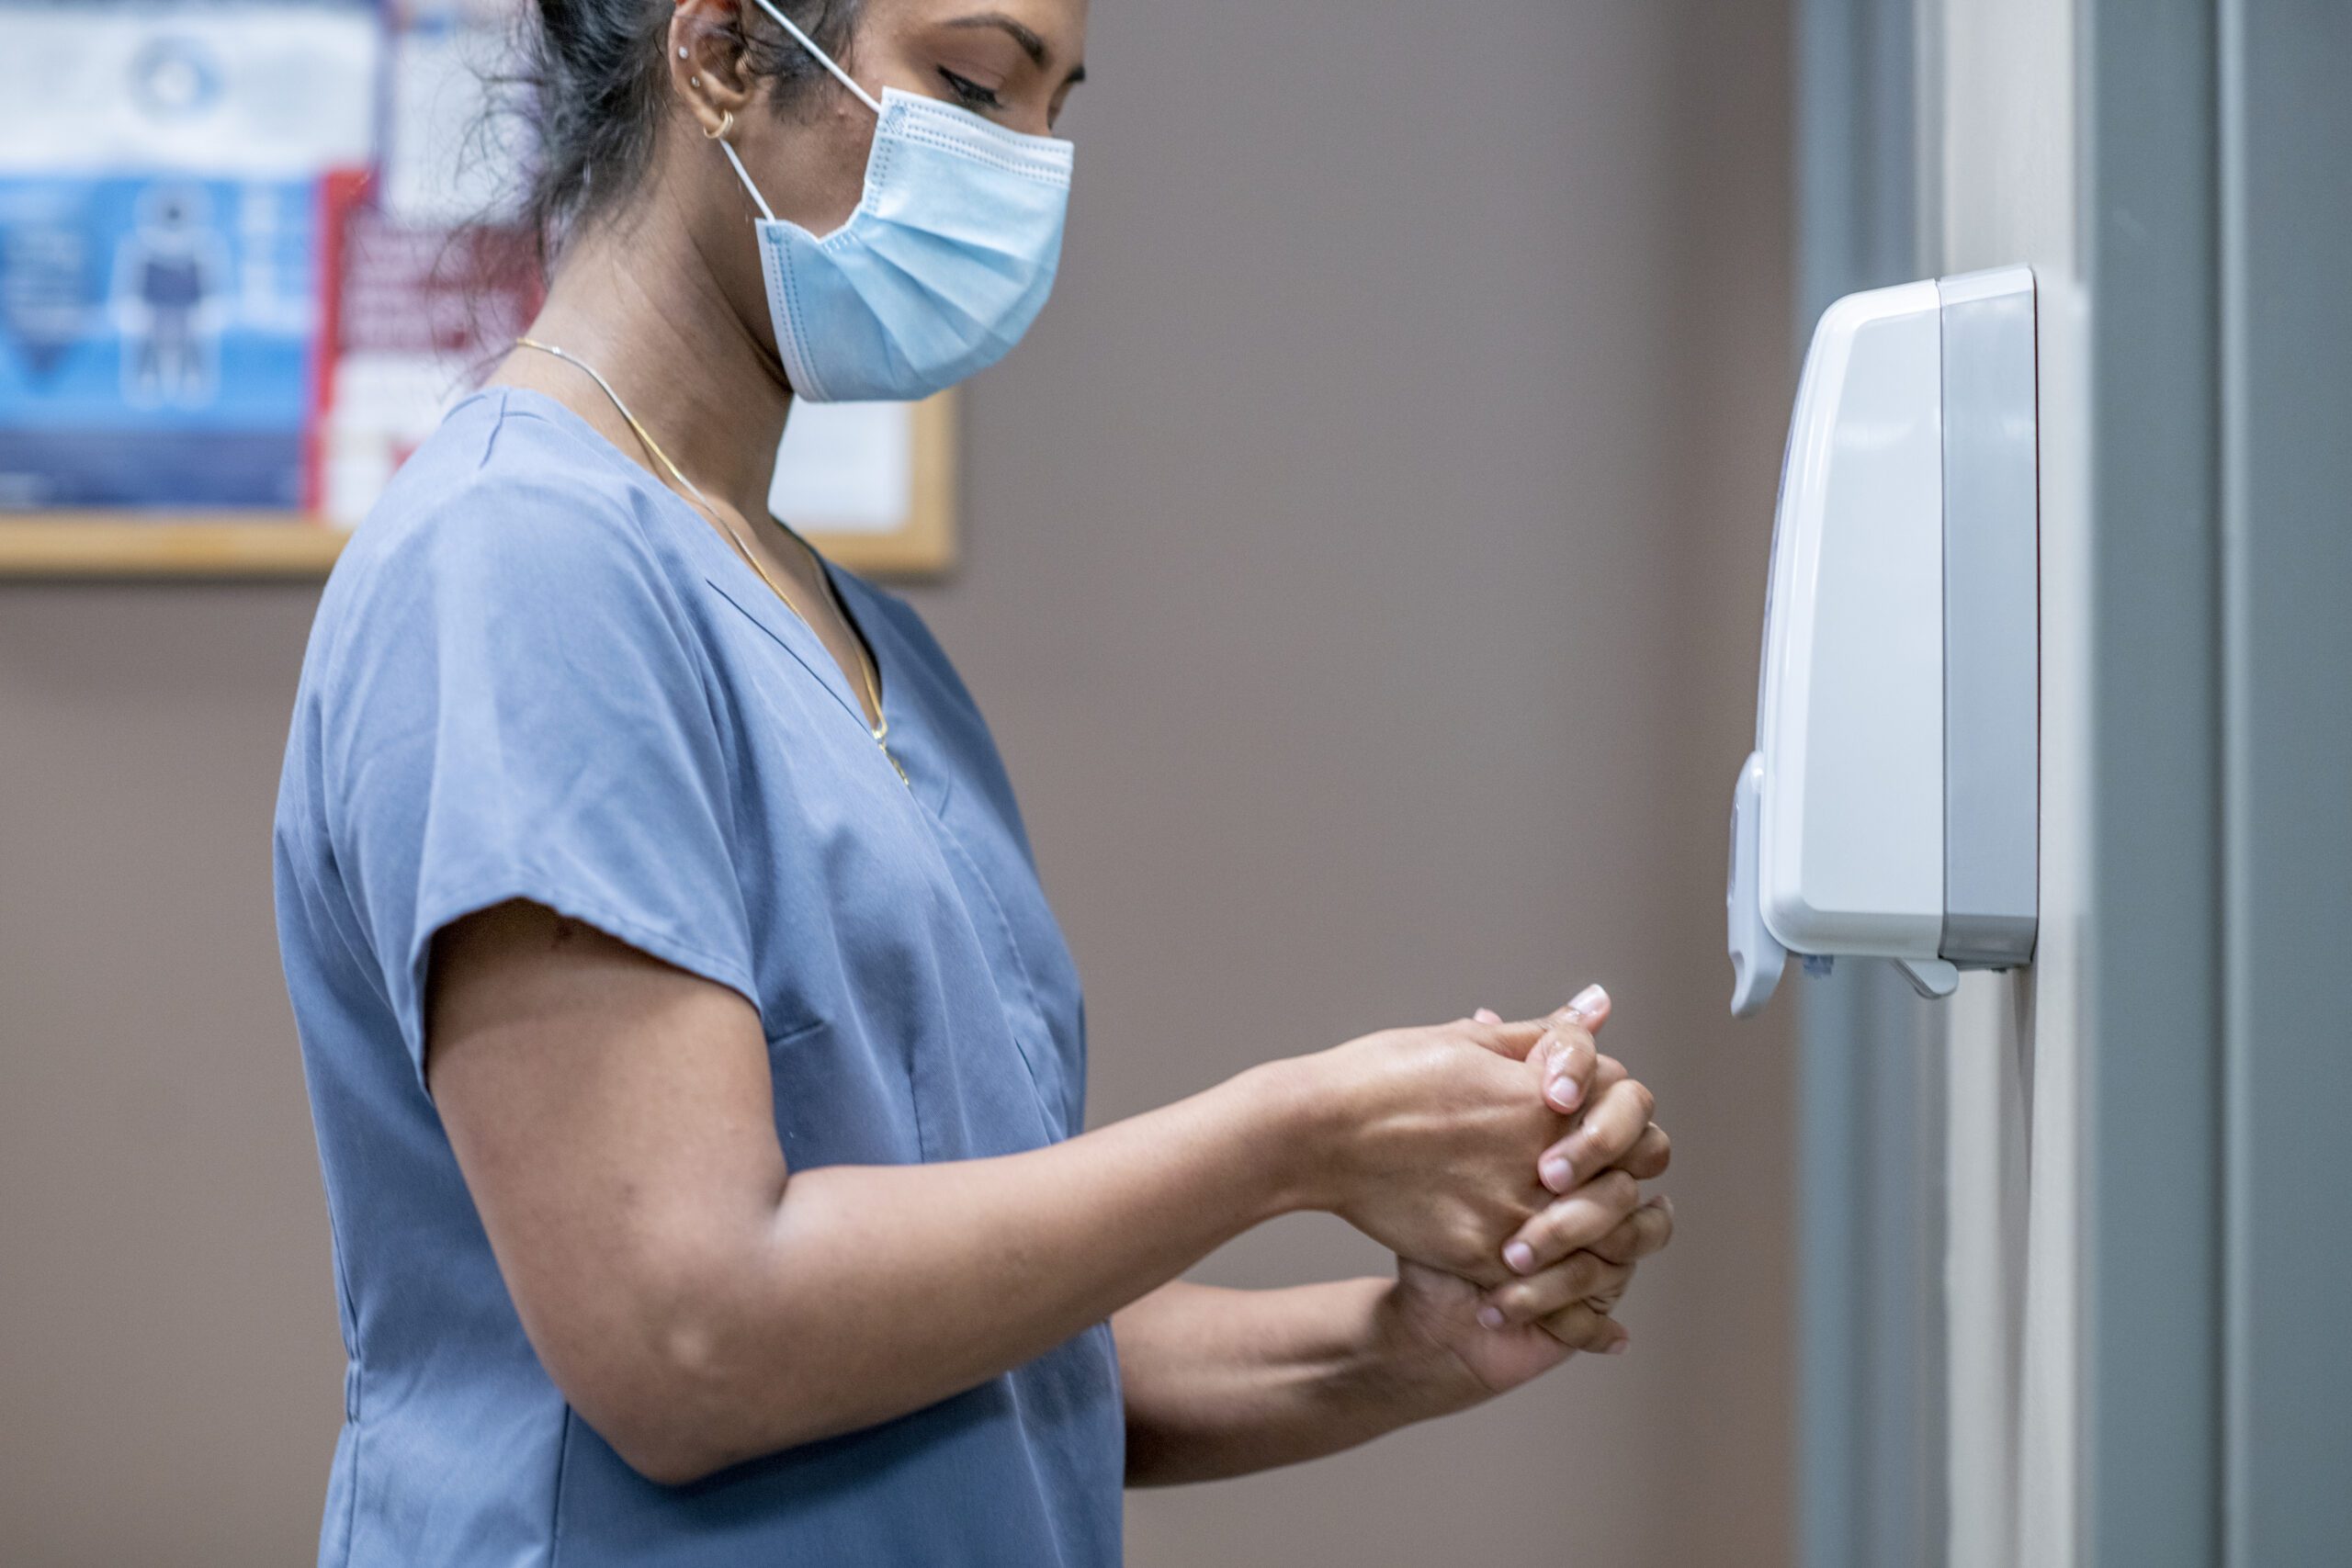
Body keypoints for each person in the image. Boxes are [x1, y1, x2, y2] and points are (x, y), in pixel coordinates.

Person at [271, 2, 1674, 1563]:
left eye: (1056, 108)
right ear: (726, 54)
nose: (1030, 169)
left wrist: (1405, 1344)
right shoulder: (519, 562)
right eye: (974, 86)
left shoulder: (860, 644)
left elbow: (980, 1341)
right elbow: (692, 1334)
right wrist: (1300, 1138)